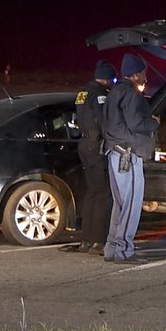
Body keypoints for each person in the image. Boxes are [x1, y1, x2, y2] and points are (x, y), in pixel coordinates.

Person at [101, 53, 157, 265]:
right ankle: (124, 250)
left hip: (113, 152)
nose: (145, 76)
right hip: (128, 154)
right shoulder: (132, 95)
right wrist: (153, 122)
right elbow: (136, 124)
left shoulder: (114, 91)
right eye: (143, 72)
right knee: (131, 205)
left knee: (120, 204)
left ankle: (111, 247)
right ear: (135, 74)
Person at [63, 60, 115, 255]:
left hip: (84, 144)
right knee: (104, 193)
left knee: (92, 192)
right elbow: (103, 121)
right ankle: (99, 241)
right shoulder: (100, 94)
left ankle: (86, 239)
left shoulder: (83, 92)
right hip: (96, 145)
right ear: (107, 78)